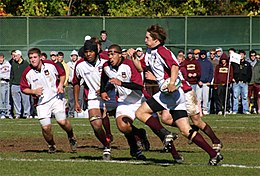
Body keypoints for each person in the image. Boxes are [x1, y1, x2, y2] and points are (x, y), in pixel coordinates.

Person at [135, 24, 223, 165]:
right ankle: (213, 154)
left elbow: (174, 66)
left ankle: (166, 134)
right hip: (175, 95)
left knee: (140, 113)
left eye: (147, 38)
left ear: (156, 40)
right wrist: (133, 56)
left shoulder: (162, 51)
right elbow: (141, 67)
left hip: (171, 93)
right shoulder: (149, 52)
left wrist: (172, 82)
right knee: (185, 129)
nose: (145, 40)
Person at [20, 48, 77, 153]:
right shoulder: (27, 72)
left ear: (40, 57)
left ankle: (71, 136)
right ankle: (51, 145)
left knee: (62, 121)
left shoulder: (50, 65)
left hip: (55, 98)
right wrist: (33, 91)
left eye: (35, 57)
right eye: (31, 58)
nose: (33, 60)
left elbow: (62, 74)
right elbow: (23, 88)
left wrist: (60, 85)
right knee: (46, 127)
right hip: (41, 103)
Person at [100, 44, 150, 160]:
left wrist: (121, 83)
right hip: (124, 101)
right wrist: (103, 91)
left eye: (113, 54)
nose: (110, 57)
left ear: (120, 54)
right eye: (109, 55)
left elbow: (138, 86)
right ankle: (139, 139)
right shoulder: (106, 66)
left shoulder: (129, 64)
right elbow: (104, 77)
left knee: (158, 123)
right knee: (123, 126)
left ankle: (173, 153)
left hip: (139, 100)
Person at [72, 40, 112, 160]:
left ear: (97, 51)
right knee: (96, 124)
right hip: (94, 97)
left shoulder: (106, 62)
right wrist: (76, 101)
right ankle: (106, 146)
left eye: (91, 51)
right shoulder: (80, 65)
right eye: (86, 52)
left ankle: (139, 136)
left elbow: (116, 77)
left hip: (112, 94)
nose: (88, 54)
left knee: (125, 123)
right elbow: (76, 83)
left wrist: (105, 89)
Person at [10, 50, 31, 119]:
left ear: (19, 55)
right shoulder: (13, 63)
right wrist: (11, 83)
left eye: (15, 56)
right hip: (14, 84)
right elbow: (12, 74)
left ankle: (27, 113)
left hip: (23, 85)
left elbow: (29, 74)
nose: (14, 57)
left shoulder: (26, 63)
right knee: (16, 100)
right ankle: (18, 114)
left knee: (26, 100)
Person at [231, 50, 252, 114]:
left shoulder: (247, 64)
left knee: (245, 97)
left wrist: (247, 80)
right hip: (236, 82)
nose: (241, 56)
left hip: (244, 83)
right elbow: (231, 71)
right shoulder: (234, 63)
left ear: (245, 55)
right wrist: (233, 78)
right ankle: (235, 110)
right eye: (240, 54)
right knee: (235, 97)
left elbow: (249, 73)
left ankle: (245, 110)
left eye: (242, 54)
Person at [67, 50, 84, 118]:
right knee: (71, 99)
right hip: (71, 83)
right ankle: (71, 113)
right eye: (72, 56)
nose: (73, 57)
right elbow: (67, 73)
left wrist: (81, 81)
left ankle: (80, 112)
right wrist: (69, 79)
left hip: (80, 83)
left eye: (75, 55)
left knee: (80, 98)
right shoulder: (68, 64)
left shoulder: (80, 64)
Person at [197, 50, 213, 115]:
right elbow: (196, 72)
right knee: (198, 97)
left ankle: (205, 109)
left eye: (204, 54)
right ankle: (198, 109)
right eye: (201, 54)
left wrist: (209, 81)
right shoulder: (197, 62)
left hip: (206, 83)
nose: (203, 55)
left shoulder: (209, 63)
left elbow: (211, 73)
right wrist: (198, 81)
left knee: (206, 97)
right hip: (199, 83)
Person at [0, 53, 12, 119]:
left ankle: (8, 112)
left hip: (8, 82)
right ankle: (2, 112)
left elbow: (10, 72)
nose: (0, 60)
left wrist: (7, 77)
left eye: (1, 58)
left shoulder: (7, 63)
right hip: (2, 83)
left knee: (8, 99)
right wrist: (4, 76)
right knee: (2, 99)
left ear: (3, 58)